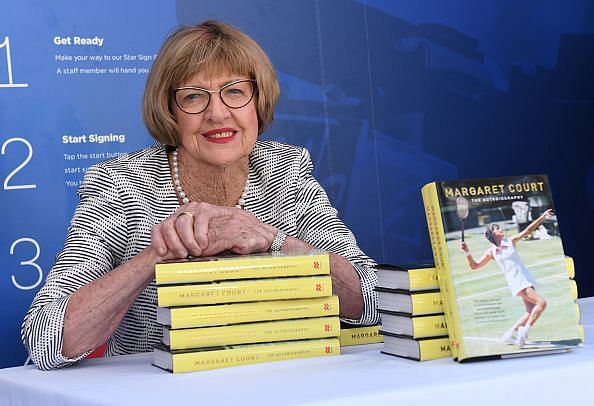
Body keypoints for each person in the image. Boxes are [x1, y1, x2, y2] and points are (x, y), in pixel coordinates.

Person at [21, 20, 379, 370]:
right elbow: (45, 339)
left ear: (258, 101)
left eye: (235, 91)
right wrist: (159, 253)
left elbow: (376, 302)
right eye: (194, 97)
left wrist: (274, 241)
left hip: (279, 382)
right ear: (170, 111)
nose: (218, 113)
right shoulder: (121, 184)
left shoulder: (285, 172)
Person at [460, 208, 553, 348]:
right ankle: (524, 332)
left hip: (525, 278)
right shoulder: (491, 251)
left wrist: (542, 218)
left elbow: (528, 230)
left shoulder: (510, 241)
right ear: (492, 234)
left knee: (530, 311)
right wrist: (467, 251)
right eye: (497, 228)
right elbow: (474, 265)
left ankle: (509, 335)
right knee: (542, 303)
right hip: (517, 282)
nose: (500, 229)